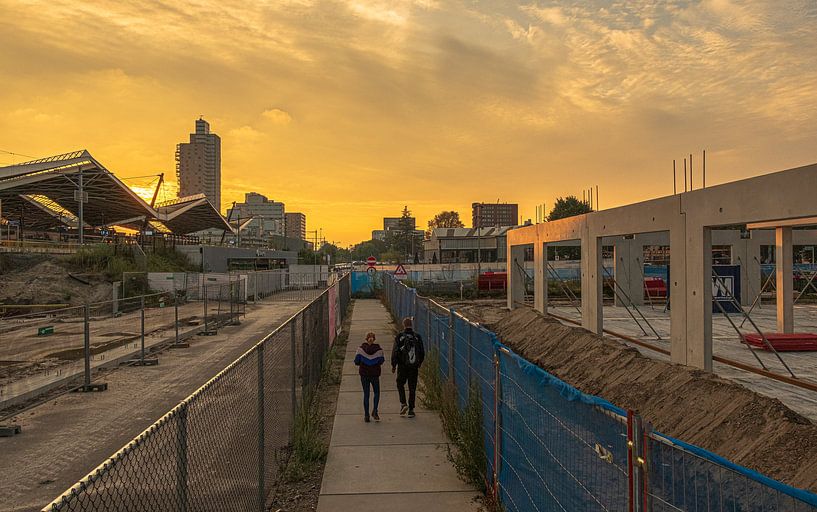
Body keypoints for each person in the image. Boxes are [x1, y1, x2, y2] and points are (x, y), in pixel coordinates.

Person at [391, 317, 425, 418]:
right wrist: (419, 363)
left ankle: (403, 403)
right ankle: (411, 410)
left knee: (400, 383)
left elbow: (395, 352)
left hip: (402, 366)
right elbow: (422, 352)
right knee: (412, 387)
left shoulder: (400, 336)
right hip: (413, 367)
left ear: (403, 325)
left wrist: (394, 365)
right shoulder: (417, 337)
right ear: (411, 325)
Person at [354, 331, 384, 422]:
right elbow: (381, 361)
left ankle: (366, 415)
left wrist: (364, 362)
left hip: (364, 374)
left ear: (366, 339)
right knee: (376, 393)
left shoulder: (360, 350)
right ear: (374, 339)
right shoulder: (379, 350)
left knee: (366, 394)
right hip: (375, 375)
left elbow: (356, 362)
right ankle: (375, 410)